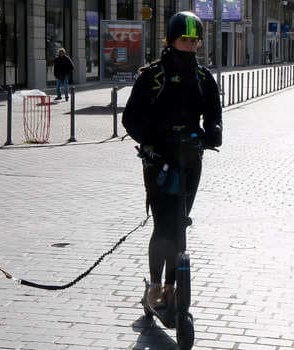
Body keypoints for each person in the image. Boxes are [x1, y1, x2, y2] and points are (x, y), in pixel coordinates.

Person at [122, 11, 222, 310]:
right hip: (159, 162)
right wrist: (150, 142)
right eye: (184, 40)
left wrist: (213, 131)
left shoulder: (204, 78)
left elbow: (214, 113)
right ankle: (154, 286)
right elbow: (130, 118)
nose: (190, 46)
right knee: (163, 224)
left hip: (191, 160)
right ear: (171, 39)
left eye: (195, 41)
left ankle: (172, 287)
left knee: (179, 224)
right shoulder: (152, 76)